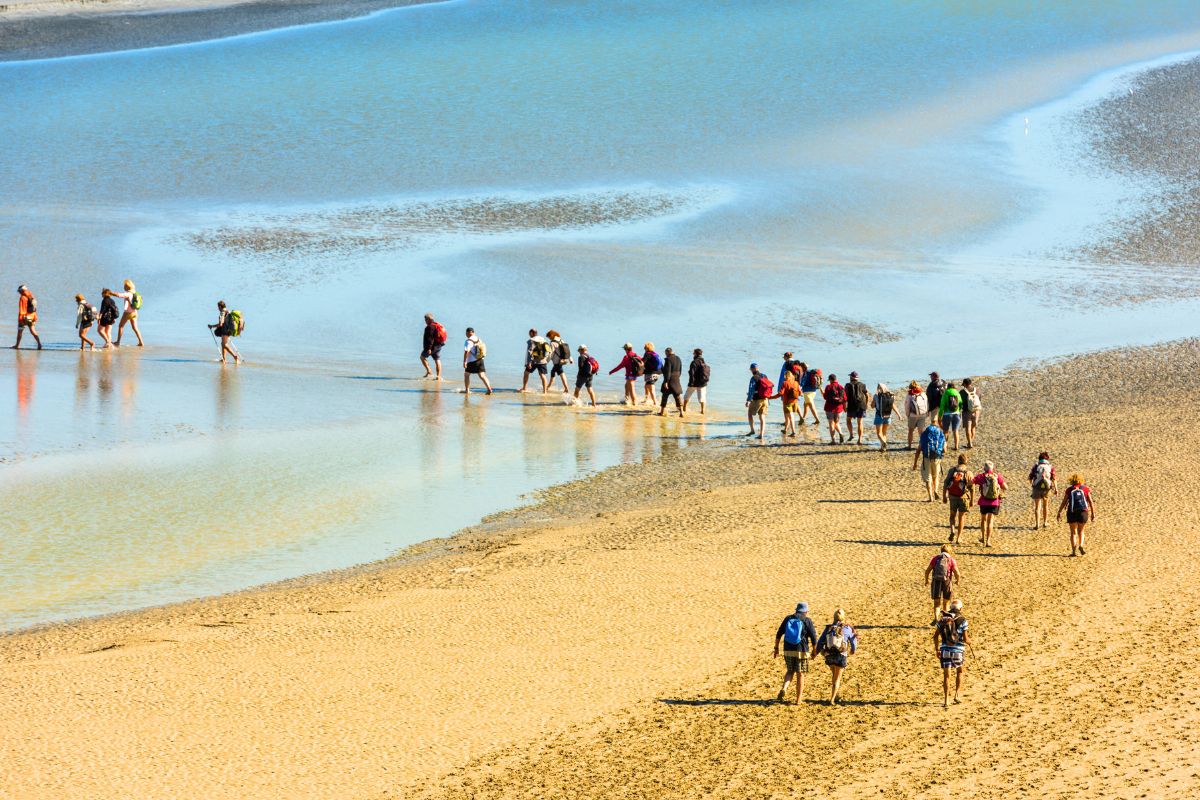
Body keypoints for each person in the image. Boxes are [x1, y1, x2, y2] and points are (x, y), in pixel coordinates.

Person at [773, 602, 818, 705]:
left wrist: (776, 648)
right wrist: (814, 651)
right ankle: (798, 700)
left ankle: (784, 688)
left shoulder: (788, 618)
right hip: (801, 651)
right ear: (805, 611)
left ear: (796, 610)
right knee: (800, 674)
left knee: (790, 671)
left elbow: (779, 633)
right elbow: (814, 638)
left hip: (788, 650)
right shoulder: (807, 620)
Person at [815, 609, 858, 705]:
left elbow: (820, 642)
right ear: (843, 617)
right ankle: (832, 699)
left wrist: (815, 653)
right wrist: (853, 650)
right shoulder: (847, 628)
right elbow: (853, 641)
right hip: (840, 655)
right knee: (837, 678)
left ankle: (836, 694)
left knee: (834, 675)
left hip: (829, 656)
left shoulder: (828, 628)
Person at [933, 599, 970, 708]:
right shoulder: (963, 620)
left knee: (946, 676)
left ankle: (946, 700)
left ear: (950, 608)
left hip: (945, 650)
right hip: (958, 650)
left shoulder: (942, 620)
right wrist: (969, 642)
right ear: (961, 609)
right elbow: (966, 639)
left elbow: (935, 637)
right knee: (960, 671)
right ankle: (957, 695)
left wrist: (937, 650)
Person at [1057, 474, 1096, 556]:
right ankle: (1081, 545)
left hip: (1072, 513)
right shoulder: (1085, 489)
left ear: (1071, 480)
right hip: (1083, 512)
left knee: (1073, 533)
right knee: (1081, 531)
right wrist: (1093, 514)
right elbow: (1091, 502)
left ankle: (1074, 552)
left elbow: (1064, 502)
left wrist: (1059, 512)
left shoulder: (1069, 489)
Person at [973, 461, 1007, 547]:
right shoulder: (997, 476)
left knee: (983, 519)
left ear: (984, 468)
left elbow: (971, 482)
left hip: (983, 501)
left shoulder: (981, 476)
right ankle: (988, 541)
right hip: (995, 501)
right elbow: (1005, 487)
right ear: (993, 469)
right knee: (990, 521)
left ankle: (983, 538)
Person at [924, 544, 961, 624]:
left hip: (936, 581)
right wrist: (957, 580)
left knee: (937, 603)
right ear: (950, 551)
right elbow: (957, 573)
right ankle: (945, 620)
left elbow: (927, 571)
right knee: (946, 603)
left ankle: (936, 619)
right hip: (947, 582)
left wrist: (926, 580)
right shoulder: (951, 560)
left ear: (941, 551)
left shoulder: (935, 558)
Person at [942, 454, 974, 543]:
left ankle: (952, 531)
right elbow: (972, 488)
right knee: (961, 517)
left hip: (952, 497)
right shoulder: (968, 472)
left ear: (958, 461)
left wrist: (944, 496)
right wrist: (972, 500)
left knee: (952, 516)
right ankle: (959, 538)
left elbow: (945, 484)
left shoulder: (952, 470)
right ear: (966, 461)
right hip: (963, 497)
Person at [912, 422, 946, 502]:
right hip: (937, 458)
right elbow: (945, 450)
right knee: (936, 477)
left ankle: (930, 497)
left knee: (928, 479)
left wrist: (915, 463)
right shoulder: (940, 434)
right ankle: (936, 491)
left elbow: (918, 450)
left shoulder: (924, 435)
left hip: (926, 458)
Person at [770, 367, 801, 436]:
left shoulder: (785, 383)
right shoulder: (796, 382)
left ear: (785, 376)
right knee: (787, 416)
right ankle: (785, 429)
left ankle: (793, 432)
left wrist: (771, 397)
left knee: (790, 417)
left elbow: (780, 393)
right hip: (795, 402)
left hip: (787, 403)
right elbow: (800, 393)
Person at [208, 300, 242, 364]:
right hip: (229, 330)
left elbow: (221, 323)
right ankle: (224, 359)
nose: (218, 308)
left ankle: (235, 356)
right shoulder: (228, 311)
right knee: (223, 344)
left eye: (218, 307)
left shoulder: (222, 312)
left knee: (224, 344)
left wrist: (212, 326)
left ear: (220, 306)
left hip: (225, 330)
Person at [113, 279, 144, 347]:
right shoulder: (135, 293)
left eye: (125, 286)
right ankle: (141, 342)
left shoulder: (128, 293)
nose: (124, 287)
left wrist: (111, 293)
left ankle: (118, 342)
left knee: (121, 326)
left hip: (128, 313)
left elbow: (119, 295)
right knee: (135, 328)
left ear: (128, 286)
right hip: (135, 312)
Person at [745, 363, 773, 441]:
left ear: (752, 369)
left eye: (751, 369)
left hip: (757, 399)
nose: (751, 371)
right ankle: (761, 434)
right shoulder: (764, 376)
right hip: (765, 399)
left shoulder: (753, 378)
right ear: (758, 368)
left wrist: (748, 400)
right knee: (762, 416)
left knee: (750, 413)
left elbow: (751, 390)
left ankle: (752, 430)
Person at [462, 327, 493, 395]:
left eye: (466, 333)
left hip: (472, 361)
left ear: (468, 333)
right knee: (482, 375)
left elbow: (466, 352)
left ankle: (467, 390)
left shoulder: (468, 341)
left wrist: (465, 361)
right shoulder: (478, 339)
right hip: (480, 359)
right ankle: (489, 388)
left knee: (466, 375)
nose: (466, 334)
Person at [11, 285, 42, 350]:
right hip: (32, 316)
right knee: (33, 331)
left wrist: (22, 318)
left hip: (24, 317)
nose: (19, 292)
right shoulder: (31, 295)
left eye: (19, 291)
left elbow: (22, 309)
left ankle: (17, 345)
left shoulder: (22, 297)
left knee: (20, 331)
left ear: (22, 291)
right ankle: (39, 344)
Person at [521, 329, 551, 394]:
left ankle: (524, 388)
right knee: (542, 375)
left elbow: (530, 352)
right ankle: (545, 392)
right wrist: (546, 360)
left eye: (529, 333)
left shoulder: (531, 340)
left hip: (533, 361)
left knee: (526, 373)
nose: (529, 334)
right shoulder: (543, 339)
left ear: (532, 333)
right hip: (543, 361)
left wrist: (529, 362)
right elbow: (548, 350)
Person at [657, 347, 684, 417]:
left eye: (665, 353)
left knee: (664, 396)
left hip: (669, 380)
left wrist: (666, 381)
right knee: (677, 396)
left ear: (667, 353)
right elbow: (680, 369)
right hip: (676, 378)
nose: (665, 355)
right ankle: (681, 413)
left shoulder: (668, 360)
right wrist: (677, 377)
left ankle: (662, 412)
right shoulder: (678, 358)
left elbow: (668, 372)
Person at [844, 371, 869, 445]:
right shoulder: (862, 385)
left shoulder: (847, 385)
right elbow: (867, 395)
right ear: (857, 378)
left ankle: (851, 434)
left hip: (851, 406)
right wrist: (866, 404)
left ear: (851, 377)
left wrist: (844, 406)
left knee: (848, 420)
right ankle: (860, 439)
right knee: (860, 422)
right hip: (861, 405)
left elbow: (845, 397)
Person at [420, 313, 447, 380]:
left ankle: (429, 371)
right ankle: (438, 376)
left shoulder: (430, 327)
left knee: (422, 357)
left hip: (432, 347)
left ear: (428, 319)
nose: (425, 321)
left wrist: (429, 348)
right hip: (439, 345)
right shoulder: (437, 324)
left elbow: (430, 339)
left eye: (425, 319)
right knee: (437, 359)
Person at [683, 348, 709, 415]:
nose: (693, 354)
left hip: (694, 383)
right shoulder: (703, 361)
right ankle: (702, 411)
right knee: (702, 398)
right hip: (703, 383)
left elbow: (692, 373)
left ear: (695, 354)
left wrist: (691, 383)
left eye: (693, 353)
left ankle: (684, 409)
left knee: (687, 396)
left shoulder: (694, 362)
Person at [822, 373, 846, 445]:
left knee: (831, 423)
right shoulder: (841, 387)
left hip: (829, 408)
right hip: (839, 408)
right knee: (836, 423)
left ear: (830, 380)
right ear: (836, 379)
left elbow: (825, 397)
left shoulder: (828, 387)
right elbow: (845, 399)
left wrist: (822, 391)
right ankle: (841, 433)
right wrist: (845, 408)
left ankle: (833, 440)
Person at [904, 380, 928, 450]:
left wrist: (907, 415)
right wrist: (926, 413)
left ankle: (909, 446)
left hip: (913, 415)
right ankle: (922, 446)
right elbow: (926, 404)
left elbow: (907, 406)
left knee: (910, 431)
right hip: (922, 414)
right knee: (921, 432)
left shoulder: (909, 395)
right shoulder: (923, 394)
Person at [938, 381, 963, 451]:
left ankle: (945, 446)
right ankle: (956, 446)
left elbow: (942, 406)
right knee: (955, 430)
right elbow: (961, 403)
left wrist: (939, 416)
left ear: (948, 387)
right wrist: (959, 410)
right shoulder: (957, 393)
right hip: (956, 414)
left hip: (947, 415)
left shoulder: (945, 393)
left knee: (945, 431)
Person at [870, 383, 894, 451]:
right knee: (884, 432)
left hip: (879, 415)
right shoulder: (891, 395)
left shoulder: (876, 395)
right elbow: (892, 405)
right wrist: (898, 414)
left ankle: (883, 443)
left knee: (879, 433)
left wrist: (873, 402)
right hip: (888, 415)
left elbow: (872, 406)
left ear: (878, 388)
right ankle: (883, 448)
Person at [961, 378, 981, 448]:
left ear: (965, 384)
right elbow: (979, 400)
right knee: (973, 427)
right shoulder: (977, 390)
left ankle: (969, 443)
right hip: (976, 411)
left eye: (963, 385)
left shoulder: (962, 392)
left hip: (967, 412)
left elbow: (960, 403)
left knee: (968, 428)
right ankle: (971, 441)